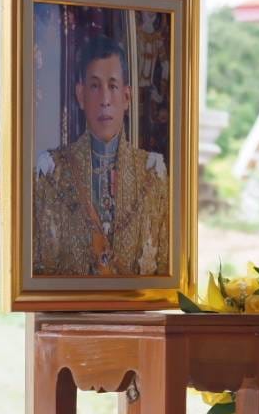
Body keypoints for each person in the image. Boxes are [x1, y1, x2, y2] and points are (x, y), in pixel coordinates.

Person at [33, 33, 169, 277]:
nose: (105, 100)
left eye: (113, 86)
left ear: (126, 97)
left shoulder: (152, 174)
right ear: (80, 95)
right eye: (95, 87)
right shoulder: (53, 172)